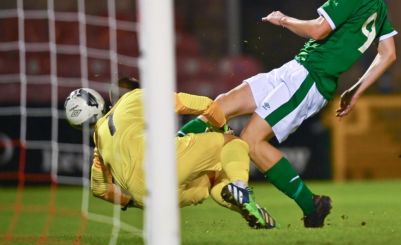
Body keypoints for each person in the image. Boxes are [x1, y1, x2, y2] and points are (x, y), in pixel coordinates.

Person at [189, 0, 397, 228]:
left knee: (249, 140)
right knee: (221, 105)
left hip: (309, 79)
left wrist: (284, 20)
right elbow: (388, 53)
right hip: (297, 69)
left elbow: (318, 30)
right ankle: (173, 147)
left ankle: (309, 204)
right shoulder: (377, 2)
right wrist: (355, 89)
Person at [64, 86, 276, 229]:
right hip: (163, 162)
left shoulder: (98, 145)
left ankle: (251, 212)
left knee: (211, 178)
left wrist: (132, 202)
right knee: (234, 144)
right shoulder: (129, 100)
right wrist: (223, 127)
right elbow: (196, 103)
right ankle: (240, 186)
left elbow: (99, 190)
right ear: (97, 99)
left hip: (150, 199)